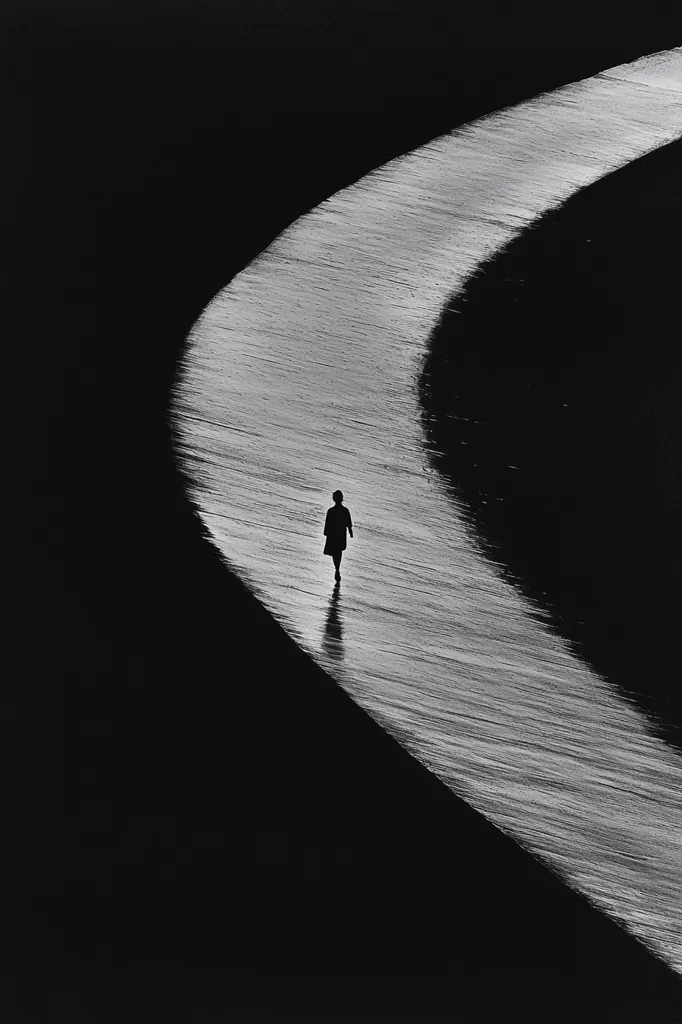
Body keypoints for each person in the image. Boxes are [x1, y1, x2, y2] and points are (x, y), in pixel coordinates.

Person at [323, 490, 353, 582]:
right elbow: (349, 524)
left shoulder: (331, 511)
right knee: (338, 552)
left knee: (334, 552)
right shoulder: (345, 510)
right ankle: (337, 569)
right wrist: (351, 532)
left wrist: (326, 533)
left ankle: (337, 568)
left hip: (332, 534)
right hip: (340, 534)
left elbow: (327, 524)